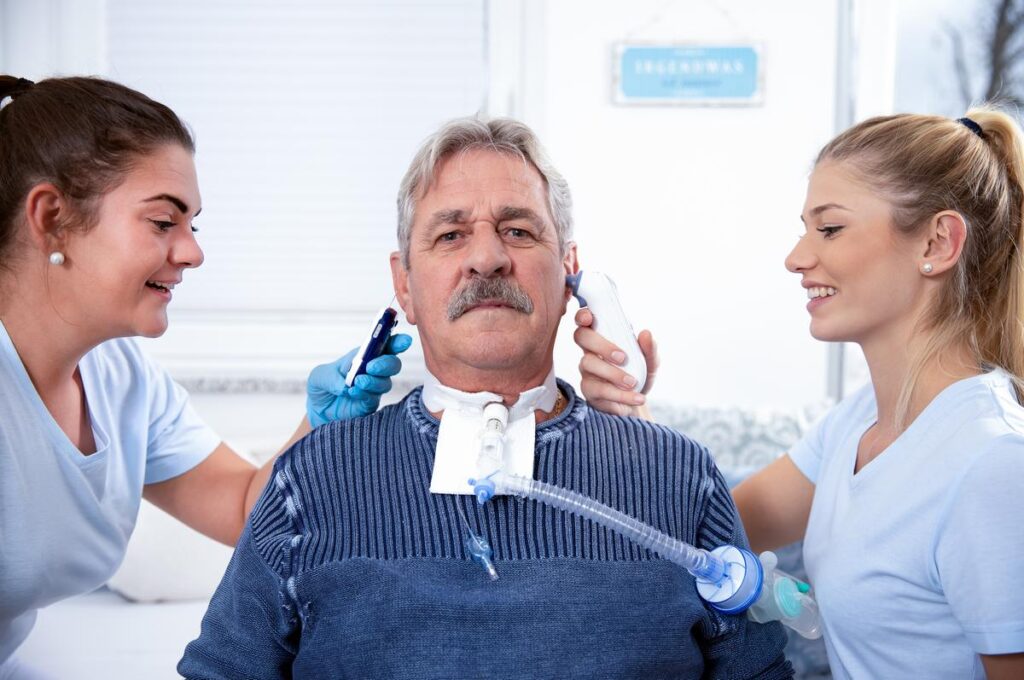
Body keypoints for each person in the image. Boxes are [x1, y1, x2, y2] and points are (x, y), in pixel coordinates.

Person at [178, 116, 793, 679]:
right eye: (449, 236)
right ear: (405, 286)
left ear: (570, 274)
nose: (487, 258)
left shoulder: (679, 476)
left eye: (518, 231)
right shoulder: (312, 479)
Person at [574, 109, 1024, 678]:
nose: (796, 258)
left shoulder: (992, 467)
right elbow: (703, 530)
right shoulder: (860, 423)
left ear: (938, 241)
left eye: (829, 228)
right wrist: (631, 404)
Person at [0, 75, 409, 675]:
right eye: (163, 223)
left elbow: (244, 507)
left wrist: (318, 427)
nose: (193, 252)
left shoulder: (121, 379)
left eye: (193, 226)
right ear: (52, 217)